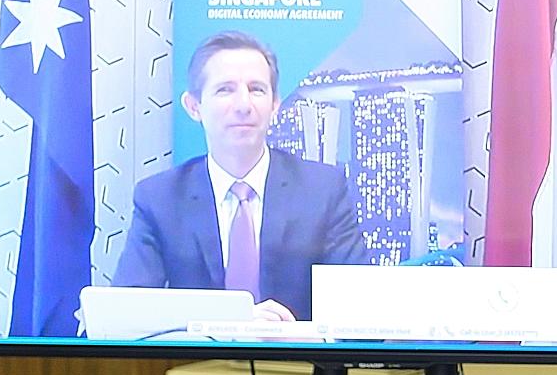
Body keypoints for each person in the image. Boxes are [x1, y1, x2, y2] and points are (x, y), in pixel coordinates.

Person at [114, 30, 368, 321]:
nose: (244, 105)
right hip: (195, 365)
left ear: (275, 105)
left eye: (257, 89)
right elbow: (130, 311)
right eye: (225, 90)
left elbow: (357, 310)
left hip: (296, 363)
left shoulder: (322, 190)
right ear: (194, 106)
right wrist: (230, 323)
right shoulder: (159, 198)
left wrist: (290, 332)